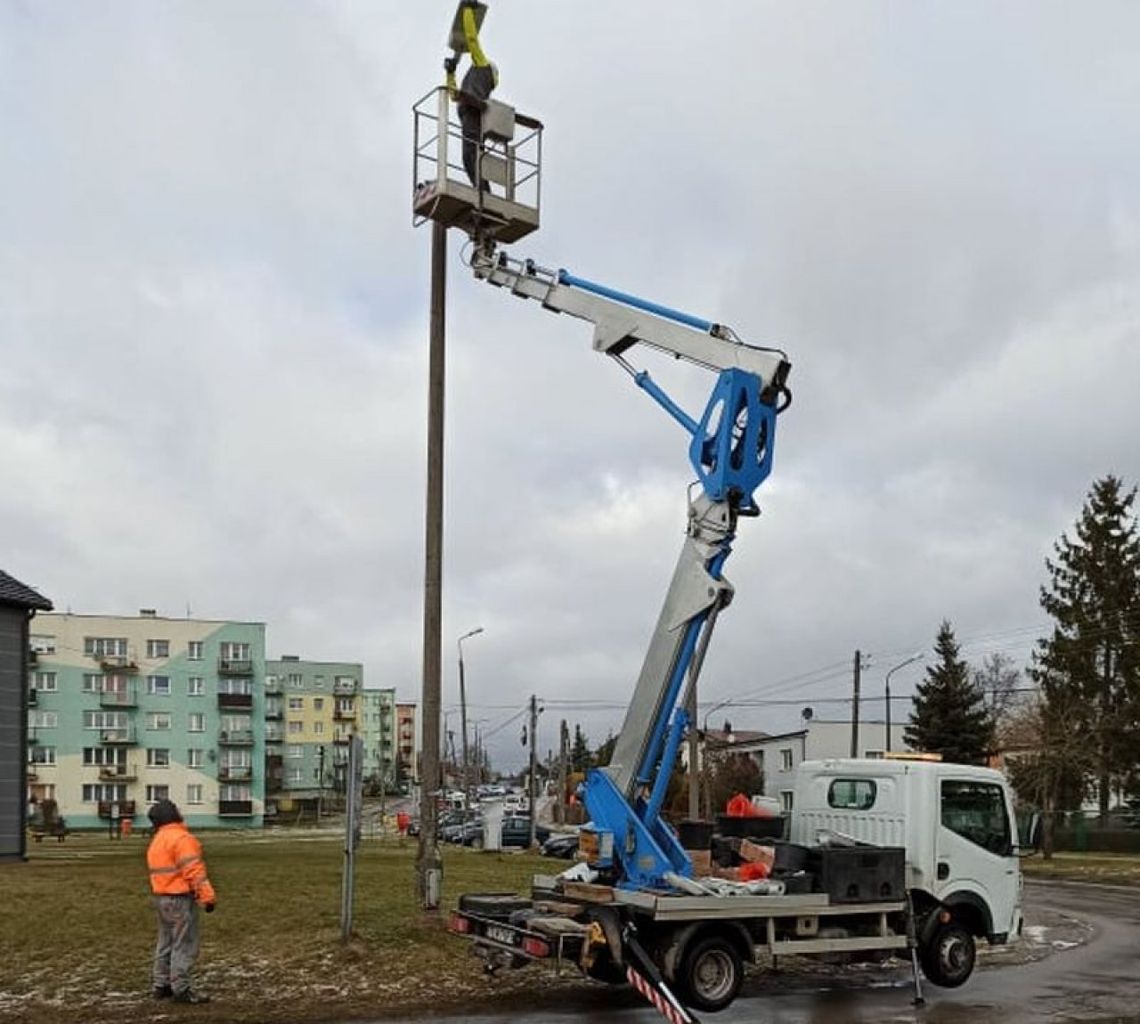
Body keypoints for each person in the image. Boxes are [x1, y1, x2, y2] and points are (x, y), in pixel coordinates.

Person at [146, 799, 216, 1004]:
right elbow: (194, 871)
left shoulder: (157, 840)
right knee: (183, 944)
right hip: (179, 899)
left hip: (161, 897)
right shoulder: (182, 838)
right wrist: (208, 897)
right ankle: (181, 988)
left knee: (165, 942)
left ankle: (161, 984)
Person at [444, 0, 498, 190]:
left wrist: (467, 11)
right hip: (469, 116)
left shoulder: (482, 67)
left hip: (473, 117)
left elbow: (472, 39)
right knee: (470, 158)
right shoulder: (478, 80)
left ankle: (484, 194)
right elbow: (453, 95)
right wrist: (450, 73)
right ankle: (482, 193)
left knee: (471, 156)